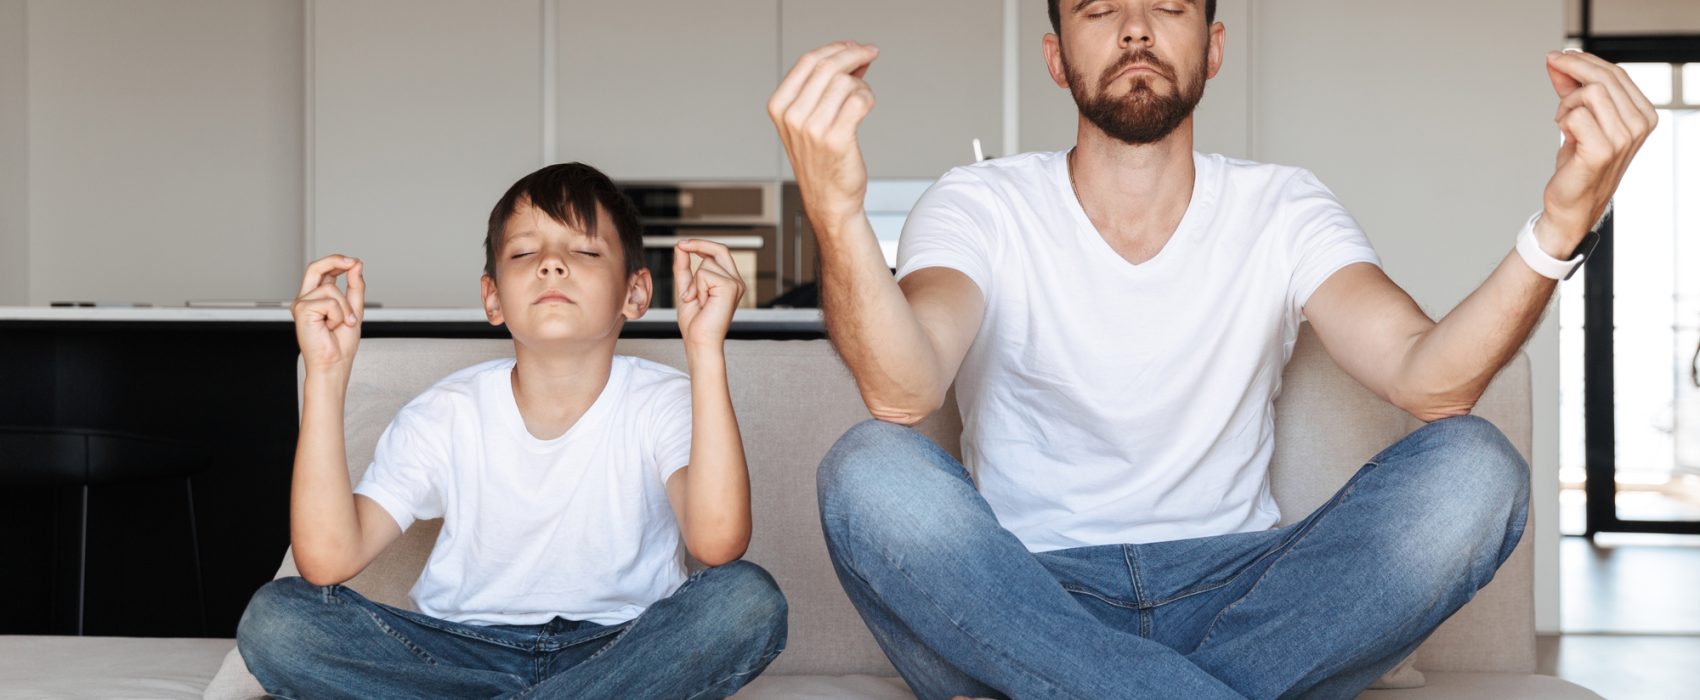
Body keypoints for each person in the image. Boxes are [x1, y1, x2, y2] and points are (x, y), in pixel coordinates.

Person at [767, 0, 1654, 696]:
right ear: (1056, 56)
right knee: (870, 468)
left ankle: (1061, 692)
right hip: (1022, 596)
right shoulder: (980, 205)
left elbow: (1430, 381)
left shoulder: (1284, 207)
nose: (1137, 29)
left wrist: (1560, 225)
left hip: (1242, 596)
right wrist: (837, 214)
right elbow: (902, 388)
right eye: (1099, 8)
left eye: (1169, 7)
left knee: (1476, 469)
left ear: (1213, 47)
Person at [236, 163, 787, 699]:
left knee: (745, 599)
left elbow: (718, 543)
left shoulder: (666, 400)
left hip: (621, 649)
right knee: (278, 619)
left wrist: (705, 349)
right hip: (456, 653)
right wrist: (326, 376)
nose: (551, 265)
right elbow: (328, 560)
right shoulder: (446, 412)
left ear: (635, 294)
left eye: (586, 251)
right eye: (524, 253)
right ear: (493, 298)